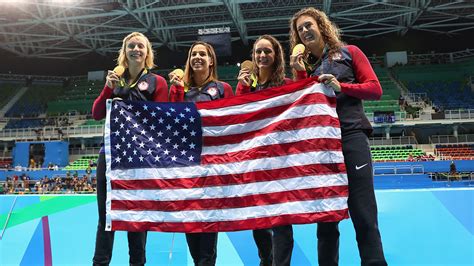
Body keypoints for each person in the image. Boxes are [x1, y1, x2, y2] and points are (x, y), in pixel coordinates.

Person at [289, 7, 387, 266]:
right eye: (300, 29)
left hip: (352, 137)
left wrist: (342, 86)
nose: (305, 31)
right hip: (322, 147)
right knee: (325, 219)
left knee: (363, 214)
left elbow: (375, 89)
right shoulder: (308, 71)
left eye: (308, 25)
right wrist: (299, 73)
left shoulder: (350, 52)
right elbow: (302, 110)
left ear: (321, 26)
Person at [91, 31, 168, 266]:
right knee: (106, 216)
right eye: (131, 46)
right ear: (124, 52)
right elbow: (96, 114)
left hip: (140, 159)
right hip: (111, 157)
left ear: (147, 53)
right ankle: (100, 263)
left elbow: (162, 119)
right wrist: (107, 88)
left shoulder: (158, 82)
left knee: (137, 215)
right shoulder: (115, 80)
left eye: (140, 46)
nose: (136, 49)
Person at [169, 41, 233, 265]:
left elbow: (231, 122)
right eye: (193, 54)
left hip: (212, 166)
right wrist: (176, 89)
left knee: (207, 231)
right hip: (187, 167)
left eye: (202, 54)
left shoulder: (223, 88)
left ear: (211, 60)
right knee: (191, 228)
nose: (197, 57)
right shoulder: (180, 89)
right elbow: (173, 121)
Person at [236, 34, 294, 266]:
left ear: (276, 55)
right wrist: (242, 85)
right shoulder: (246, 86)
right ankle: (265, 260)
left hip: (280, 161)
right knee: (258, 218)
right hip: (255, 159)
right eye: (258, 51)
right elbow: (238, 114)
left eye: (267, 51)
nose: (262, 55)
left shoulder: (287, 84)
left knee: (282, 219)